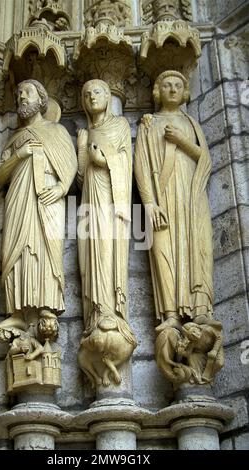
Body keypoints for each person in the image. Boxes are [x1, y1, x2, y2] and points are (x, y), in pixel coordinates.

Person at [0, 79, 77, 334]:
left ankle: (48, 306)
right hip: (19, 199)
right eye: (18, 92)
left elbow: (70, 165)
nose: (21, 96)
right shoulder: (15, 138)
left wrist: (61, 188)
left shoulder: (57, 131)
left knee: (45, 248)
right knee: (16, 250)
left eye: (28, 92)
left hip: (48, 199)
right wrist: (21, 154)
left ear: (42, 100)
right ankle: (17, 312)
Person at [135, 70, 213, 332]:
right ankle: (170, 313)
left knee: (196, 248)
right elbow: (142, 167)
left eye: (177, 86)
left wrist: (181, 141)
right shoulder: (148, 123)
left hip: (191, 196)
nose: (172, 89)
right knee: (163, 250)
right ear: (157, 91)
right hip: (162, 197)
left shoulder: (191, 123)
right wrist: (149, 203)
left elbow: (205, 159)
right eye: (166, 85)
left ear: (185, 92)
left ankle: (200, 309)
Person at [77, 79, 136, 387]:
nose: (91, 97)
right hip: (90, 202)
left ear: (109, 95)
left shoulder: (120, 126)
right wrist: (82, 150)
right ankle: (95, 314)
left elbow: (127, 163)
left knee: (107, 255)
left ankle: (112, 312)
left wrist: (107, 160)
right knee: (89, 261)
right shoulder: (86, 133)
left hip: (112, 206)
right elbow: (77, 178)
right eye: (86, 94)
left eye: (97, 91)